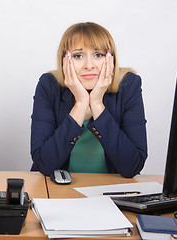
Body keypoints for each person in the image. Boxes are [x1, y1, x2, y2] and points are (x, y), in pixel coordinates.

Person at [30, 22, 147, 178]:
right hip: (58, 190)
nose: (89, 65)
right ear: (65, 59)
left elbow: (132, 166)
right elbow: (44, 164)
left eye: (98, 55)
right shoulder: (49, 85)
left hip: (111, 190)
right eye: (78, 56)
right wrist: (80, 105)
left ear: (111, 59)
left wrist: (97, 104)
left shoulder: (128, 85)